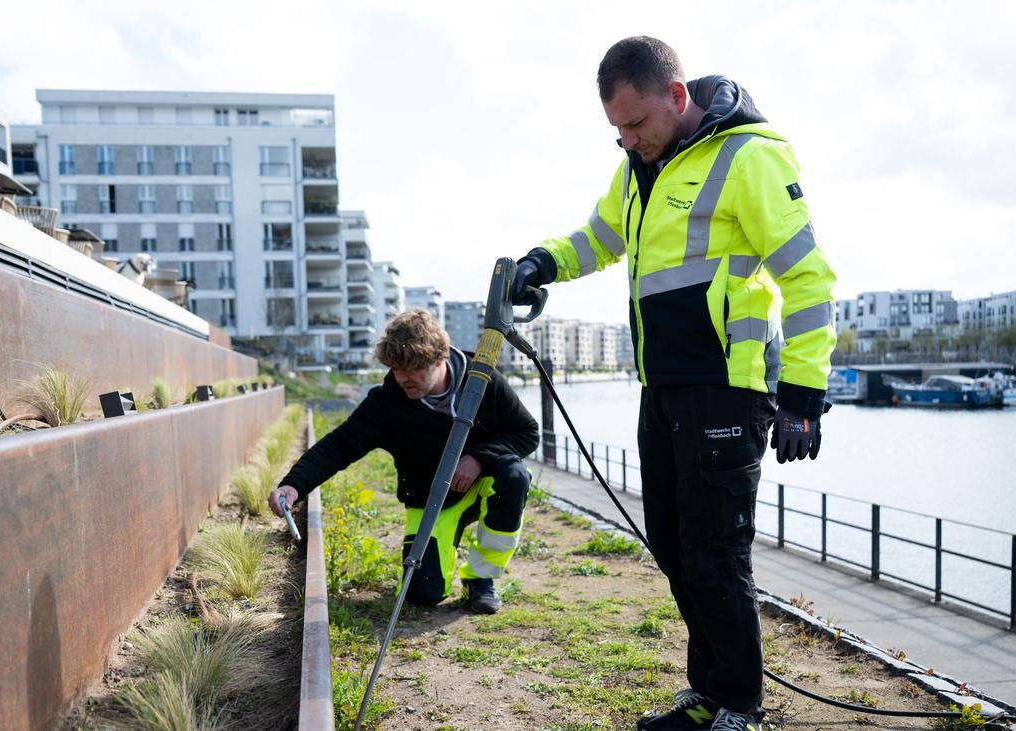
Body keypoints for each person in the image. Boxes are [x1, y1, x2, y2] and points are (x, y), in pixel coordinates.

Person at [509, 36, 836, 731]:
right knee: (676, 548)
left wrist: (805, 395)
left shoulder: (749, 155)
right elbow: (597, 237)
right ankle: (709, 692)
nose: (627, 140)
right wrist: (543, 260)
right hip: (662, 390)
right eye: (617, 129)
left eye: (636, 124)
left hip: (728, 387)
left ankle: (740, 705)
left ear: (676, 96)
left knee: (717, 555)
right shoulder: (637, 169)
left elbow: (809, 277)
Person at [267, 310, 539, 615]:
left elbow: (527, 432)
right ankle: (438, 559)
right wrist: (294, 485)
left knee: (514, 475)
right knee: (422, 594)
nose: (404, 379)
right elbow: (339, 446)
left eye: (414, 368)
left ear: (440, 359)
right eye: (397, 369)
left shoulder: (483, 379)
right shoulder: (387, 403)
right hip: (431, 500)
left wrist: (478, 458)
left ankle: (481, 577)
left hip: (482, 483)